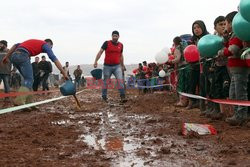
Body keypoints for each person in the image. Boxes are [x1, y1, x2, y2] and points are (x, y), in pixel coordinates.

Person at [2, 39, 68, 105]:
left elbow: (15, 45)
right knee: (29, 79)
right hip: (23, 56)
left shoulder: (33, 43)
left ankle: (29, 103)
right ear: (49, 44)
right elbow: (54, 58)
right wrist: (64, 72)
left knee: (28, 80)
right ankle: (19, 100)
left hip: (14, 56)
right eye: (51, 47)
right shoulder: (45, 44)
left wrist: (6, 57)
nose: (49, 49)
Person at [217, 11, 249, 126]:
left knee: (240, 93)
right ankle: (237, 114)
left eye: (225, 24)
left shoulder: (237, 34)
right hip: (234, 69)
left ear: (232, 23)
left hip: (240, 68)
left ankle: (241, 115)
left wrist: (221, 52)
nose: (225, 27)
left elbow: (232, 50)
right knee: (233, 94)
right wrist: (225, 38)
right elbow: (228, 46)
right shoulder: (233, 35)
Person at [206, 16, 230, 120]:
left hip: (227, 67)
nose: (223, 26)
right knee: (217, 88)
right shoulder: (212, 40)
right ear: (215, 27)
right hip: (217, 66)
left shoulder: (228, 37)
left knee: (227, 88)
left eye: (225, 24)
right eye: (220, 24)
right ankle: (221, 112)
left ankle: (230, 112)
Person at [93, 30, 126, 103]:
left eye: (116, 36)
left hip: (117, 66)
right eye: (113, 36)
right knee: (106, 82)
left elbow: (121, 56)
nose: (115, 37)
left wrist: (122, 65)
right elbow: (100, 52)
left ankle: (122, 96)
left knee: (120, 80)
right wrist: (96, 61)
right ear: (111, 36)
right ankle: (104, 97)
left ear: (118, 37)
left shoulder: (121, 45)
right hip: (107, 66)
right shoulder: (106, 43)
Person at [171, 36, 189, 107]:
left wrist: (171, 61)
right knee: (187, 84)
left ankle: (182, 102)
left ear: (174, 42)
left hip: (182, 67)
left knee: (181, 84)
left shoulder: (177, 48)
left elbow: (177, 59)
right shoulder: (185, 46)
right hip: (188, 66)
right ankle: (187, 101)